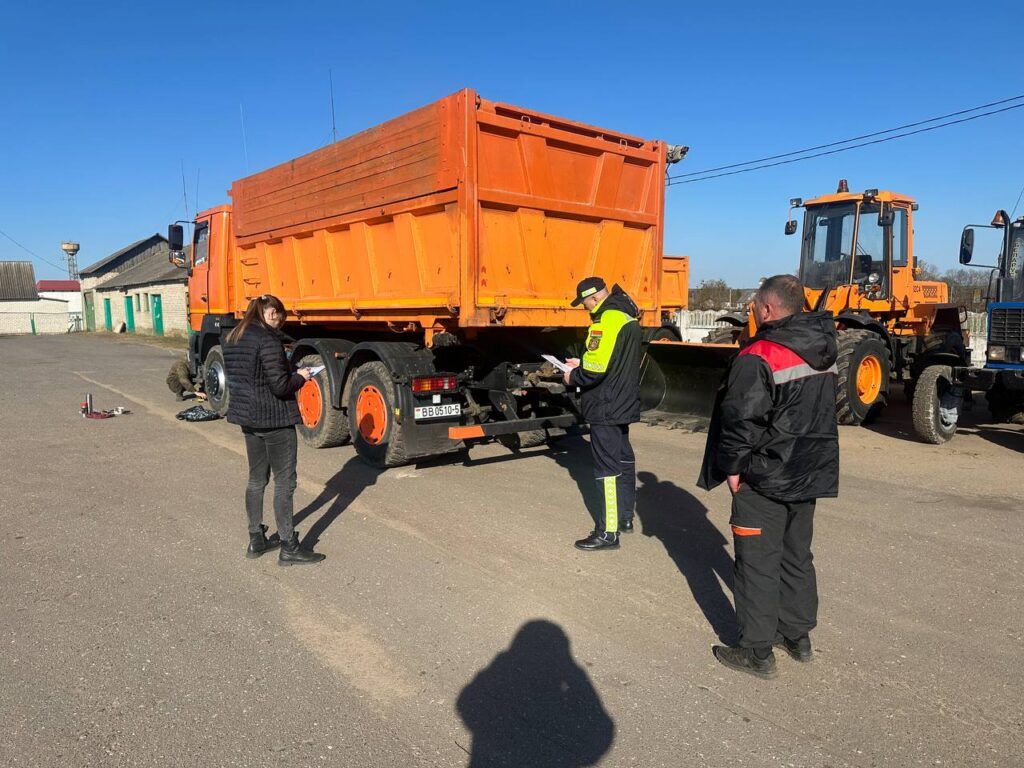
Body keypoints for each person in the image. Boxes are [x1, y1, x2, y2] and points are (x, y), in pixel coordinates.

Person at [698, 274, 839, 679]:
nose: (755, 312)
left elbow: (741, 421)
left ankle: (758, 651)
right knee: (797, 555)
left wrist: (733, 469)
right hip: (810, 472)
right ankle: (798, 637)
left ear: (768, 309)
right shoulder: (824, 349)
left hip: (766, 476)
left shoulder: (758, 355)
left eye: (757, 306)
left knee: (757, 562)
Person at [223, 294, 325, 565]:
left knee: (257, 479)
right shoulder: (266, 338)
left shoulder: (233, 336)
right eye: (277, 315)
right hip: (274, 419)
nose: (279, 320)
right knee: (285, 483)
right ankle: (289, 546)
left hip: (248, 419)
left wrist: (285, 367)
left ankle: (256, 539)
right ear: (267, 313)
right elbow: (280, 386)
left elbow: (253, 375)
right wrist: (301, 377)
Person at [563, 277, 642, 551]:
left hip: (604, 406)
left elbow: (594, 371)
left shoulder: (605, 321)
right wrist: (583, 361)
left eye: (583, 302)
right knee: (624, 459)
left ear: (593, 297)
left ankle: (608, 533)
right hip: (622, 402)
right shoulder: (626, 316)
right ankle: (625, 518)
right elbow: (613, 359)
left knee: (606, 469)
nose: (584, 307)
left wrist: (572, 375)